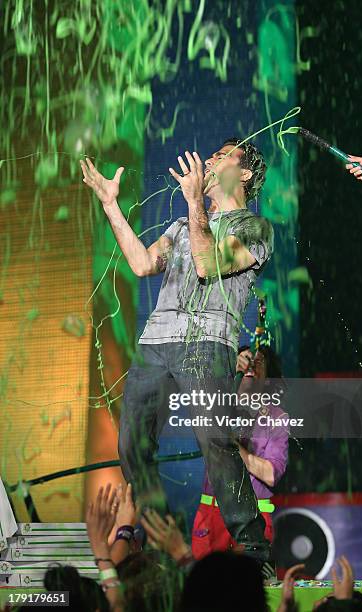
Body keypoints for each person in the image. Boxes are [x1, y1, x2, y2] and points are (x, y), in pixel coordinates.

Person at [80, 138, 275, 573]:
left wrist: (193, 203)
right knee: (131, 444)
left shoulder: (255, 229)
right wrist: (111, 206)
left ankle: (255, 549)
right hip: (156, 344)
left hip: (208, 345)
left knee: (216, 444)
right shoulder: (182, 226)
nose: (209, 160)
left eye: (222, 156)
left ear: (243, 174)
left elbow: (208, 264)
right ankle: (158, 541)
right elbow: (142, 263)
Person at [192, 344, 289, 561]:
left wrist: (234, 447)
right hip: (211, 518)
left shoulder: (276, 417)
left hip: (254, 518)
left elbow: (272, 474)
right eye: (246, 359)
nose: (251, 364)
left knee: (248, 590)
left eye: (259, 361)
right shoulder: (216, 405)